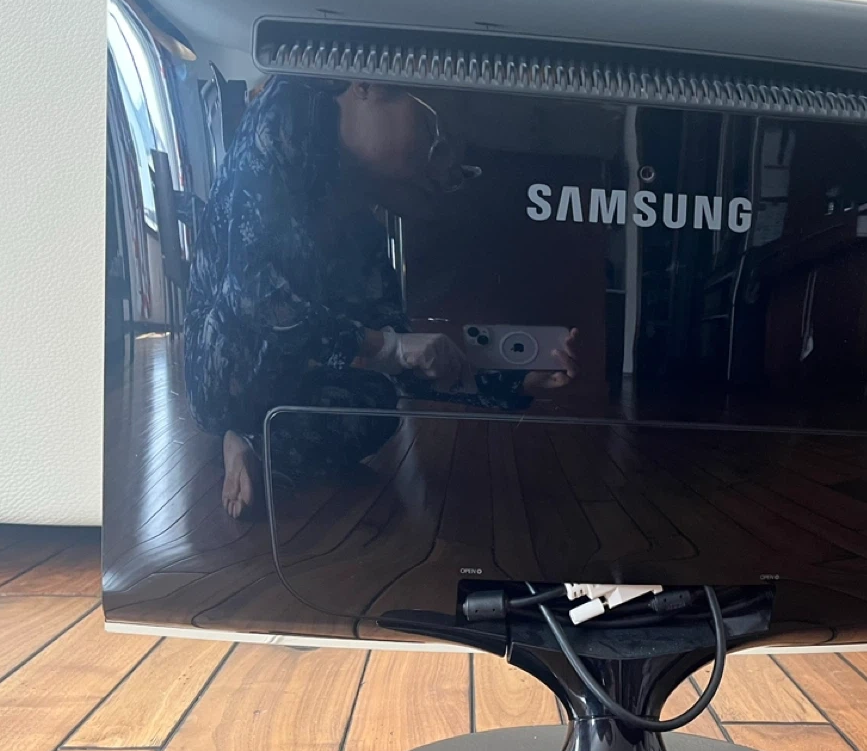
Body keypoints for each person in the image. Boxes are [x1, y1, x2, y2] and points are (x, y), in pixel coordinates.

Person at [185, 76, 578, 519]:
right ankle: (238, 424)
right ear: (366, 86)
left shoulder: (362, 227)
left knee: (378, 403)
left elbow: (405, 360)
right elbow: (253, 298)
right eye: (433, 132)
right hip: (225, 374)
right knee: (349, 332)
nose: (446, 170)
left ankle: (253, 443)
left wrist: (512, 382)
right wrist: (386, 345)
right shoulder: (285, 113)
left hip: (291, 380)